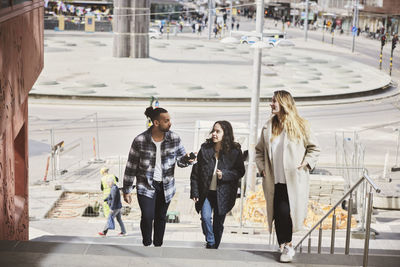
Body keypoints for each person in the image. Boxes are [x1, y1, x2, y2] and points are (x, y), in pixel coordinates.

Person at [255, 90, 320, 263]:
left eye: (274, 101)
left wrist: (306, 163)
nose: (271, 104)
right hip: (273, 180)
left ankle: (288, 245)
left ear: (283, 103)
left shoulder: (301, 125)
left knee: (284, 212)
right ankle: (284, 245)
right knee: (277, 214)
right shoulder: (268, 126)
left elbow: (314, 148)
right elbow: (259, 151)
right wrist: (262, 169)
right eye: (271, 101)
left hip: (292, 180)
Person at [122, 106, 194, 247]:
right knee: (148, 216)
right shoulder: (140, 140)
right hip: (146, 185)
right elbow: (131, 166)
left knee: (161, 217)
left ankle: (158, 245)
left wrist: (187, 160)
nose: (170, 123)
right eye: (166, 121)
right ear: (156, 123)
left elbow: (180, 160)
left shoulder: (174, 138)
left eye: (169, 120)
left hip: (166, 185)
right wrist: (126, 189)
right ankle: (147, 243)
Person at [190, 121, 245, 249]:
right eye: (213, 131)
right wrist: (195, 192)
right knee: (205, 217)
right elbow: (195, 173)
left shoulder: (235, 151)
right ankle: (211, 242)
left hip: (223, 193)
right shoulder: (205, 149)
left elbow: (240, 171)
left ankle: (214, 247)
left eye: (218, 131)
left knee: (218, 224)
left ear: (226, 133)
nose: (214, 134)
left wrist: (225, 174)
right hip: (206, 192)